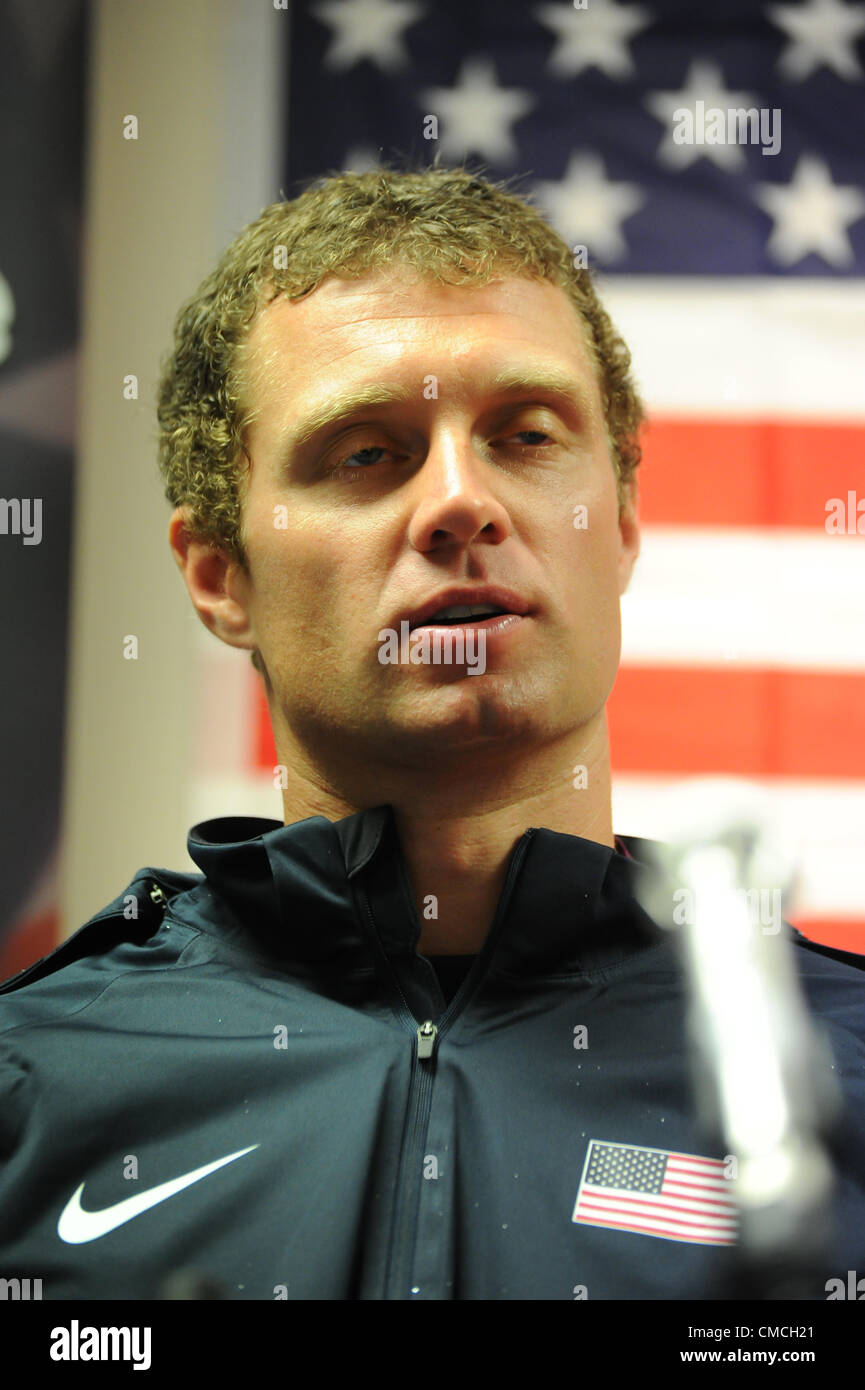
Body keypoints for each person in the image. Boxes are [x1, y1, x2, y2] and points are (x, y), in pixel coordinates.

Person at [1, 166, 863, 1301]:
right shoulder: (33, 1082)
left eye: (524, 433)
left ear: (624, 527)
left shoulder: (838, 1078)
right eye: (367, 451)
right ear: (220, 575)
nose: (461, 501)